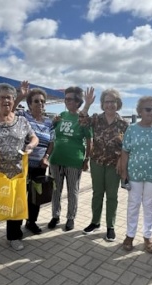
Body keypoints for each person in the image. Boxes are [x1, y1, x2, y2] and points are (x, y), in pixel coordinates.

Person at [0, 83, 38, 253]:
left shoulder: (23, 121)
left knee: (15, 206)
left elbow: (34, 138)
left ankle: (14, 236)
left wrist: (31, 146)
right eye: (2, 97)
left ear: (13, 100)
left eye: (9, 97)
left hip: (17, 175)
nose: (5, 100)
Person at [120, 96, 152, 252]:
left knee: (149, 205)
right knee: (133, 204)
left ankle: (148, 236)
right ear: (139, 111)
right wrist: (124, 172)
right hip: (134, 173)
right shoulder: (132, 128)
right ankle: (130, 235)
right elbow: (125, 151)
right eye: (148, 109)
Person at [79, 88, 129, 241]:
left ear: (118, 103)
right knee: (97, 194)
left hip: (114, 165)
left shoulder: (124, 124)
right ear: (102, 104)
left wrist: (123, 164)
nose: (110, 105)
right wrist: (86, 104)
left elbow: (127, 147)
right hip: (97, 162)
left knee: (112, 196)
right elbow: (81, 123)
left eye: (113, 101)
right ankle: (95, 222)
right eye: (107, 102)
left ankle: (110, 226)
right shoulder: (95, 119)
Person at [45, 86, 94, 231]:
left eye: (70, 99)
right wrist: (53, 123)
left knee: (72, 190)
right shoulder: (61, 115)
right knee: (55, 190)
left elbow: (89, 140)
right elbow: (51, 134)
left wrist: (87, 159)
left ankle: (70, 218)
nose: (67, 101)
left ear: (78, 101)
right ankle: (55, 215)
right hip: (56, 159)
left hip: (74, 160)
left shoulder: (83, 118)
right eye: (65, 99)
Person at [15, 84, 53, 234]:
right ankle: (16, 225)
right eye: (36, 101)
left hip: (40, 165)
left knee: (36, 195)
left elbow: (52, 142)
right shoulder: (23, 116)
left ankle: (31, 222)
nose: (40, 104)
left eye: (42, 101)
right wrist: (20, 96)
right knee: (20, 195)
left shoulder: (49, 122)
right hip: (22, 164)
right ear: (29, 104)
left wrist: (46, 157)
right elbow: (9, 113)